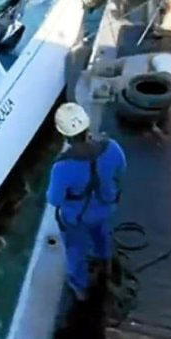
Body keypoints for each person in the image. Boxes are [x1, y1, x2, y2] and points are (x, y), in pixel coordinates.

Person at [46, 103, 127, 301]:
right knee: (102, 235)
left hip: (77, 218)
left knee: (76, 250)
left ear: (64, 135)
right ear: (87, 127)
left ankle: (80, 287)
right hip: (105, 208)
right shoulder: (112, 147)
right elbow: (121, 170)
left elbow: (54, 199)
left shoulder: (62, 166)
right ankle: (105, 262)